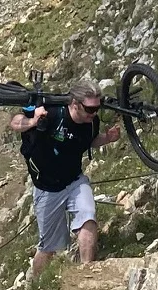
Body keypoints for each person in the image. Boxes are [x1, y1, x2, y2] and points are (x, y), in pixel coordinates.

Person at [11, 80, 120, 279]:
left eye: (97, 108)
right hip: (47, 189)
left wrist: (107, 138)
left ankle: (88, 272)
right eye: (89, 108)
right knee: (49, 247)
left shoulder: (91, 122)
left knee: (88, 217)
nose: (94, 113)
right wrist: (33, 122)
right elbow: (15, 122)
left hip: (74, 180)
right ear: (75, 104)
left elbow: (89, 141)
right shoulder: (53, 113)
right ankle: (36, 284)